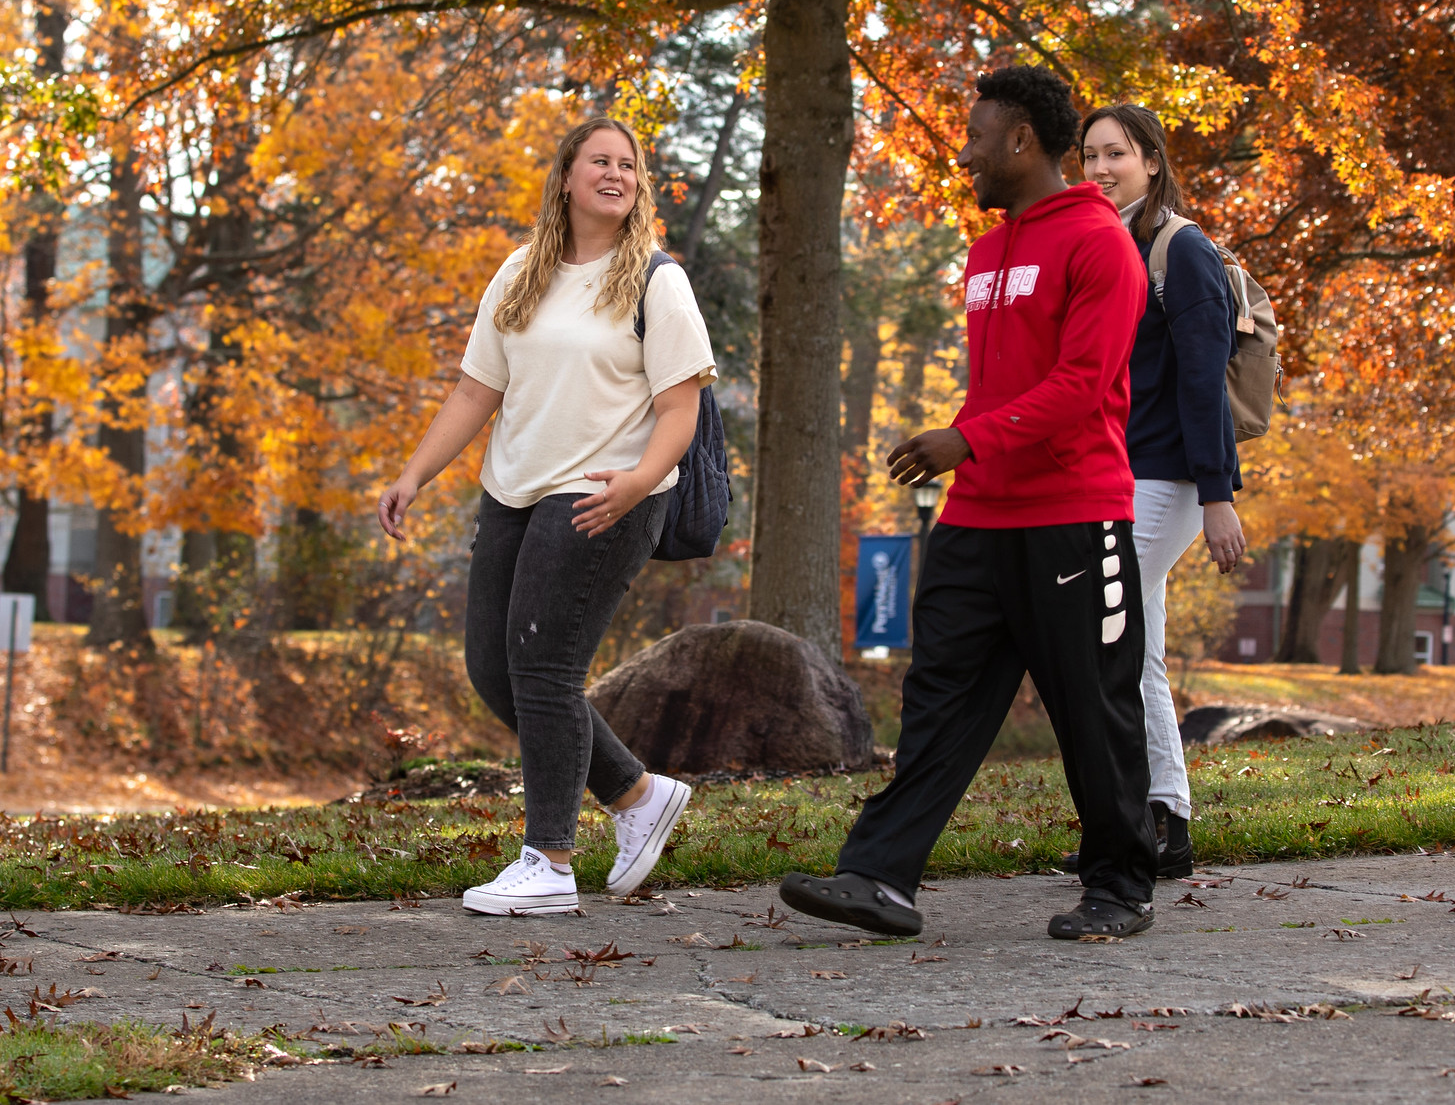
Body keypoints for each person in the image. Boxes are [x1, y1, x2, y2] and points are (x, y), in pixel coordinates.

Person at [778, 65, 1156, 941]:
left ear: (1022, 140)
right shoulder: (987, 252)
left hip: (1073, 515)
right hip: (980, 515)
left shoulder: (1098, 243)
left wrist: (967, 438)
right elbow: (1005, 382)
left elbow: (1083, 384)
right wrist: (960, 439)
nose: (965, 153)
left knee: (1092, 710)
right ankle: (877, 874)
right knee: (939, 699)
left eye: (977, 137)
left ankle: (1121, 883)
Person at [377, 117, 712, 916]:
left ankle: (549, 860)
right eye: (599, 160)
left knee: (544, 669)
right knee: (494, 669)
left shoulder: (654, 280)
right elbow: (474, 392)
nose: (616, 173)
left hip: (602, 494)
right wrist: (415, 473)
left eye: (628, 164)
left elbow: (680, 407)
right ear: (565, 176)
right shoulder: (521, 273)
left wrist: (638, 482)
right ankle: (635, 795)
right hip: (512, 491)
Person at [1048, 103, 1245, 879]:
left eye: (1115, 155)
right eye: (1089, 156)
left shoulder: (1179, 248)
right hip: (1118, 474)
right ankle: (1162, 822)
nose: (1098, 169)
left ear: (1151, 161)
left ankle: (1140, 822)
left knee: (1110, 642)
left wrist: (1219, 491)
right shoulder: (1107, 243)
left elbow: (1204, 380)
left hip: (1166, 479)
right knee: (1135, 652)